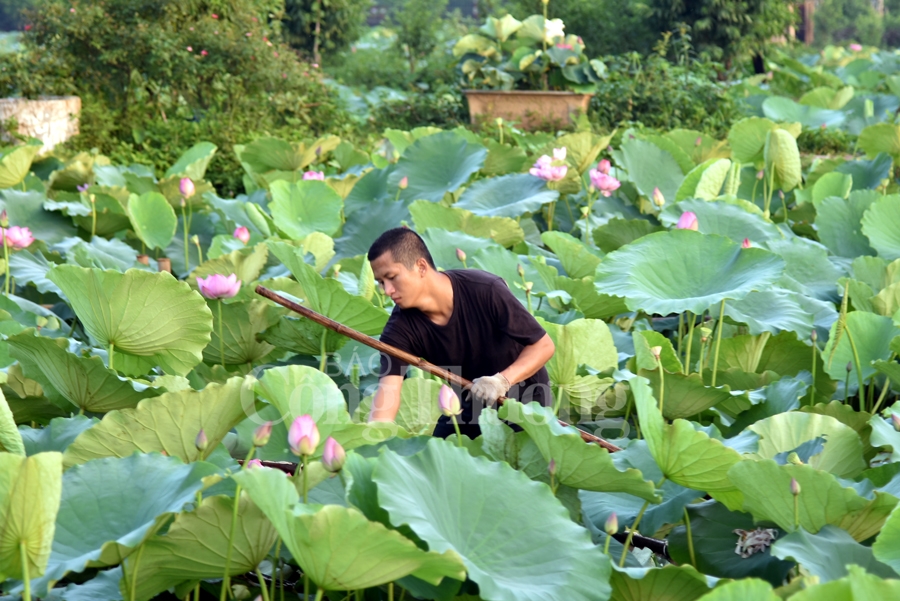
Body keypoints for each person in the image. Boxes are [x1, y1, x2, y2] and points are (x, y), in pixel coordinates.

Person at [366, 227, 555, 438]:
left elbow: (543, 345)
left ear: (420, 266)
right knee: (436, 459)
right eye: (381, 282)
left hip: (524, 402)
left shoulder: (484, 289)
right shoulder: (399, 330)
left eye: (391, 277)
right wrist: (374, 441)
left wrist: (501, 381)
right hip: (467, 405)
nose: (387, 290)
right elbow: (387, 394)